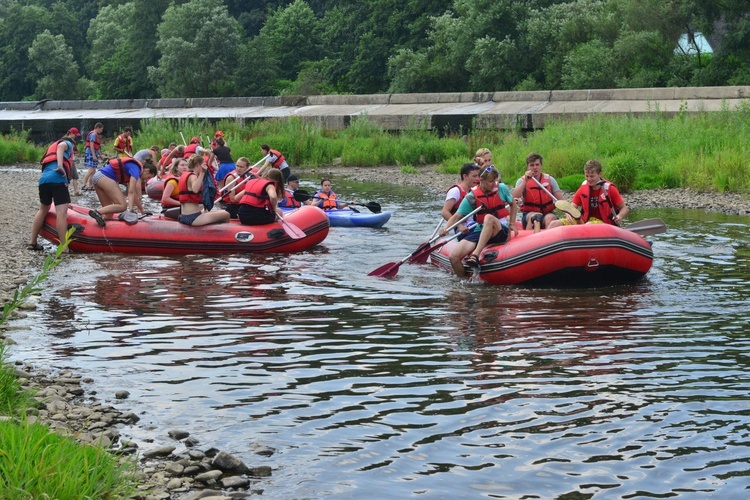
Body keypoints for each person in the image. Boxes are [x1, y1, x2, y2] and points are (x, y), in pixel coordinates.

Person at [439, 165, 517, 277]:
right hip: (481, 230)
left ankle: (475, 254)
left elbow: (513, 205)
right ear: (481, 180)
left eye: (495, 180)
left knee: (488, 218)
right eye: (491, 181)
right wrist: (446, 228)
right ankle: (464, 283)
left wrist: (512, 224)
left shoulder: (502, 188)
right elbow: (456, 216)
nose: (494, 184)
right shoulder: (471, 197)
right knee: (454, 257)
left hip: (500, 230)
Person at [28, 128, 81, 251]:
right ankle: (64, 247)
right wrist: (60, 166)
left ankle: (33, 242)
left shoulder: (52, 145)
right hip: (57, 180)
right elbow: (61, 147)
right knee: (61, 213)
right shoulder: (67, 143)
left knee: (43, 209)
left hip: (44, 181)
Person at [553, 159, 629, 227]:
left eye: (592, 176)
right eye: (587, 176)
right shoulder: (583, 188)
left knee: (589, 224)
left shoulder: (610, 189)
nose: (589, 179)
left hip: (604, 224)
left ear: (600, 174)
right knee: (554, 224)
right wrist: (568, 214)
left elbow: (624, 208)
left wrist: (619, 216)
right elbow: (572, 207)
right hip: (585, 222)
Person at [88, 157, 157, 226]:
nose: (146, 180)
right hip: (104, 177)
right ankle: (97, 212)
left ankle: (102, 230)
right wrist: (130, 210)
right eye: (148, 177)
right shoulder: (136, 170)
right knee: (123, 206)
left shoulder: (133, 169)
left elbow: (133, 193)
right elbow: (130, 192)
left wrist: (142, 210)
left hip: (97, 177)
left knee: (109, 213)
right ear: (147, 170)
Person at [512, 152, 564, 232]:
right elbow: (514, 197)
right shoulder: (521, 181)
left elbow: (561, 200)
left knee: (550, 218)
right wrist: (525, 181)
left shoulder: (550, 180)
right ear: (528, 167)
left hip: (547, 213)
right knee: (536, 216)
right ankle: (529, 239)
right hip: (529, 214)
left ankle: (548, 240)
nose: (535, 168)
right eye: (532, 165)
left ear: (541, 165)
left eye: (537, 165)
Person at [177, 155, 230, 227]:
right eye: (204, 164)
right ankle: (222, 235)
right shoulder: (193, 176)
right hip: (192, 217)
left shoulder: (185, 174)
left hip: (184, 215)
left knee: (222, 211)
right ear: (198, 165)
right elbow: (195, 190)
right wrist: (202, 173)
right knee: (226, 214)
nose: (205, 167)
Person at [81, 123, 103, 191]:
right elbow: (91, 144)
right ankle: (84, 185)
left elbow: (97, 147)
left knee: (93, 171)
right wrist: (93, 155)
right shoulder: (93, 134)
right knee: (90, 170)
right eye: (101, 129)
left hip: (94, 153)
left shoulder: (95, 135)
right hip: (90, 153)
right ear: (98, 128)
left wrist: (99, 155)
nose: (101, 131)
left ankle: (90, 185)